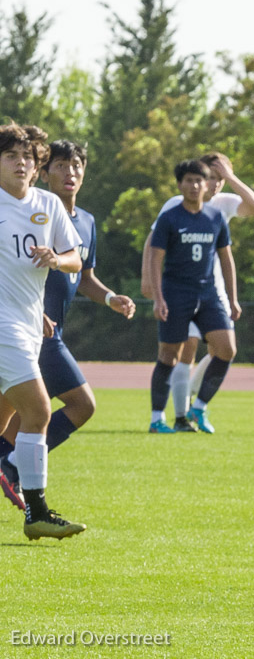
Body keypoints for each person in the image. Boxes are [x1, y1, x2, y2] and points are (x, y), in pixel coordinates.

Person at [0, 140, 135, 512]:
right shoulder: (28, 209)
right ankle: (16, 471)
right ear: (44, 173)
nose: (70, 172)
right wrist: (34, 310)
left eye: (76, 165)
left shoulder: (85, 221)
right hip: (27, 330)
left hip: (39, 330)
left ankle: (10, 460)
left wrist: (111, 299)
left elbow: (84, 275)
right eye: (60, 165)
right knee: (74, 405)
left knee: (14, 412)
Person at [0, 123, 87, 539]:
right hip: (4, 327)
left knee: (4, 422)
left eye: (28, 158)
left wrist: (56, 258)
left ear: (37, 167)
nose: (21, 164)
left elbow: (75, 259)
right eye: (12, 156)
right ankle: (36, 512)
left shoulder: (48, 205)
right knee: (39, 411)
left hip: (28, 325)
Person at [141, 152, 254, 432]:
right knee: (178, 352)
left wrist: (231, 177)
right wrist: (150, 285)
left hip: (211, 293)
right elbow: (154, 246)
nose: (212, 185)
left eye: (218, 180)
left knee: (226, 349)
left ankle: (197, 409)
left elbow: (253, 212)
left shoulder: (220, 210)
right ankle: (169, 417)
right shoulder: (173, 210)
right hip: (177, 292)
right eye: (211, 177)